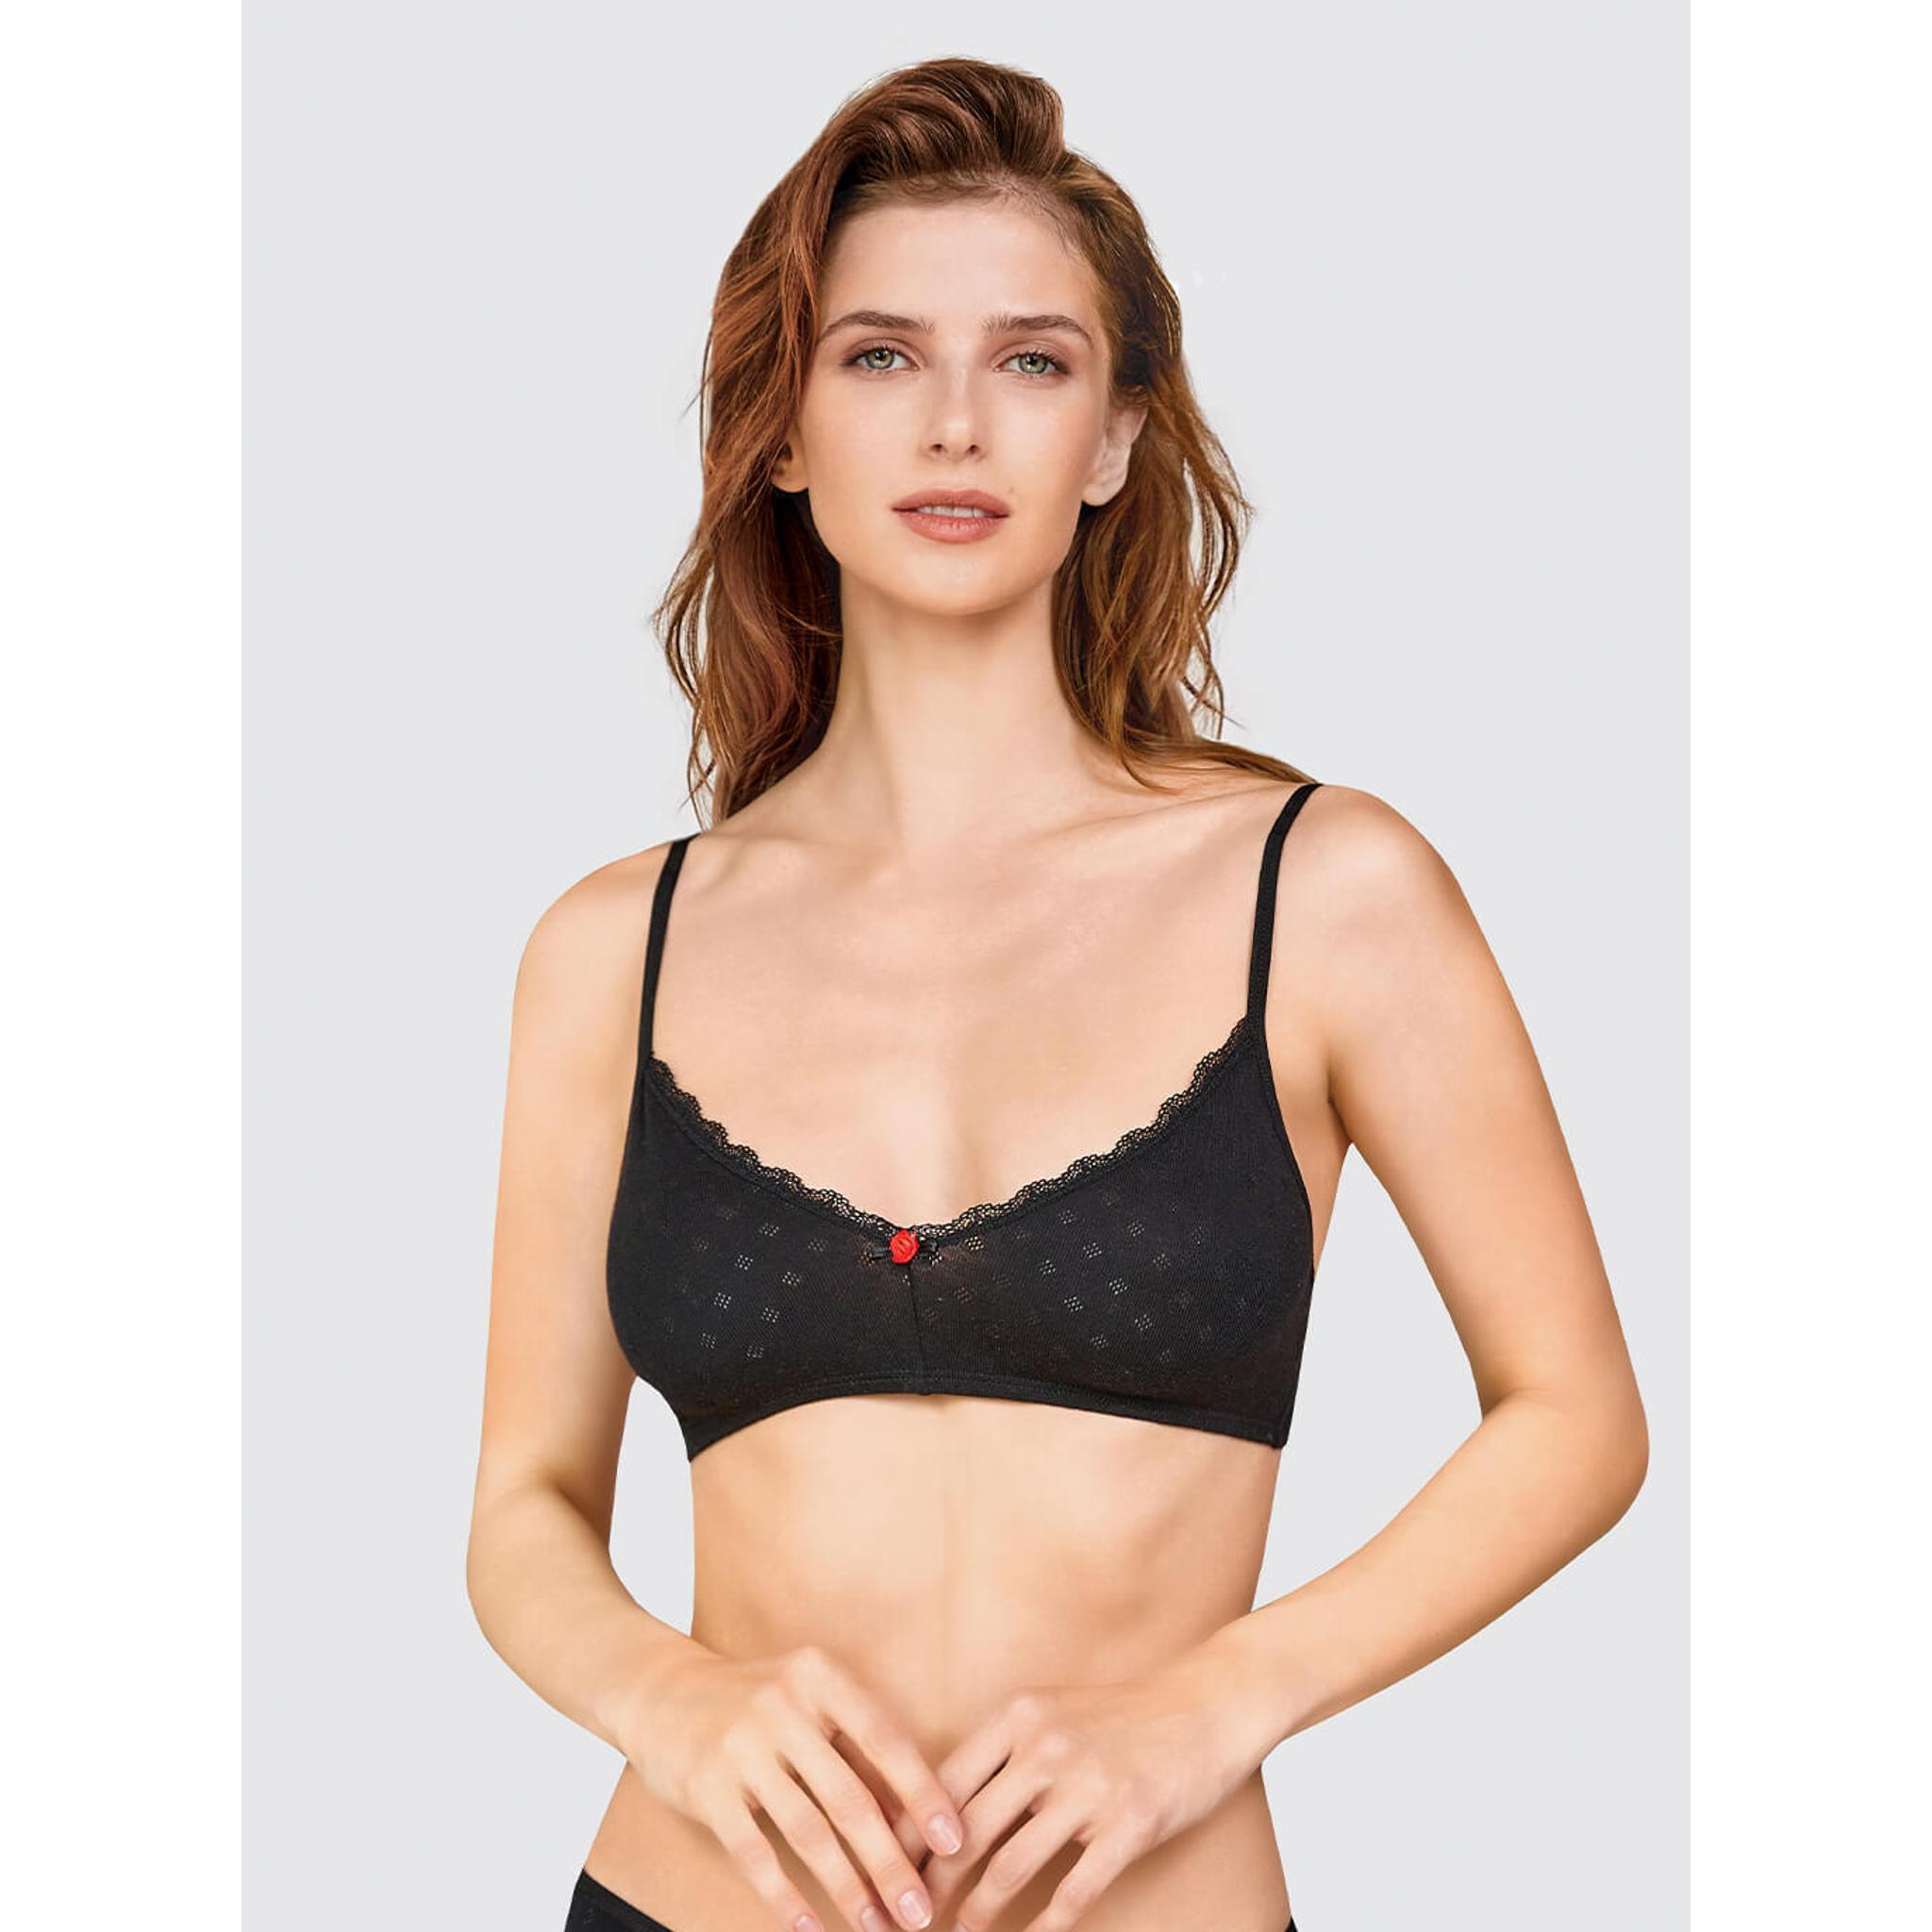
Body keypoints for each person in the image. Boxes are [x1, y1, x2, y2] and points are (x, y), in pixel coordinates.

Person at [465, 56, 1649, 1932]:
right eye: (878, 356)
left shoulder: (1325, 895)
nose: (955, 423)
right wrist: (670, 1700)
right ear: (784, 432)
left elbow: (1574, 1413)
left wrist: (1216, 1704)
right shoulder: (618, 946)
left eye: (1030, 360)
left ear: (1109, 438)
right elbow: (525, 1501)